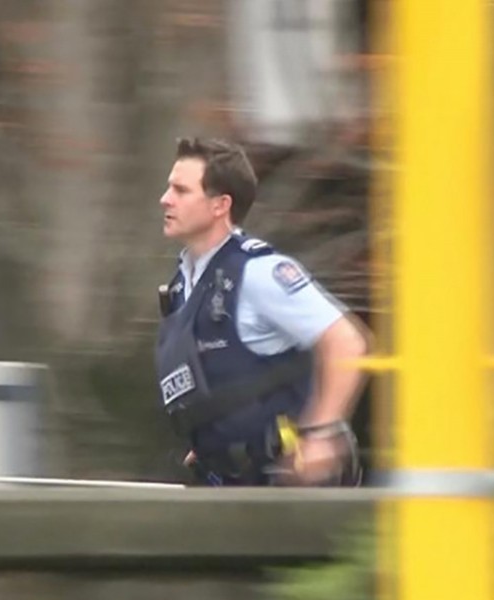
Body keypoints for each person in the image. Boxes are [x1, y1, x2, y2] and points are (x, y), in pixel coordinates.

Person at [155, 137, 369, 486]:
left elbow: (347, 342)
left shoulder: (258, 273)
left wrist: (321, 433)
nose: (165, 199)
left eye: (181, 190)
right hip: (227, 486)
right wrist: (209, 438)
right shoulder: (183, 285)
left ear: (220, 205)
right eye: (169, 188)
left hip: (285, 489)